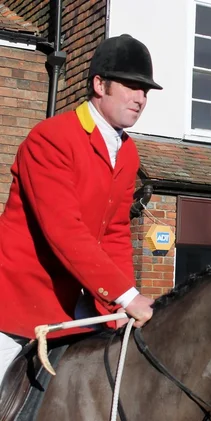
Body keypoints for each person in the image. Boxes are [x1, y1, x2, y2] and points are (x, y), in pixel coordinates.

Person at [0, 34, 162, 384]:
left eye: (145, 91)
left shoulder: (128, 152)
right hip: (18, 303)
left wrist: (120, 305)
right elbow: (64, 231)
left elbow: (115, 233)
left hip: (78, 304)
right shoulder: (51, 138)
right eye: (132, 86)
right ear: (99, 85)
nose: (141, 98)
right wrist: (128, 297)